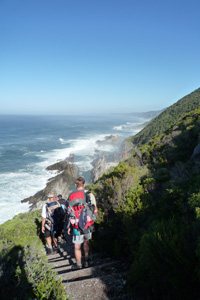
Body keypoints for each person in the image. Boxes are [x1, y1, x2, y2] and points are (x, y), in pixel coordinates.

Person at [67, 177, 98, 269]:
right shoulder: (89, 195)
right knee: (86, 242)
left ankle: (78, 264)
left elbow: (69, 212)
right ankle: (87, 261)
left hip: (76, 225)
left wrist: (69, 226)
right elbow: (95, 210)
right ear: (84, 185)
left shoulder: (70, 196)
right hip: (87, 224)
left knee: (77, 246)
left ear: (75, 185)